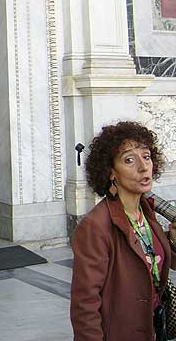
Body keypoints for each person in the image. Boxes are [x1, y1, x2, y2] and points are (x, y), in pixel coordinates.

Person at [71, 121, 176, 341]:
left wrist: (172, 242)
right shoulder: (95, 226)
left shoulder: (146, 211)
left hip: (156, 327)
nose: (143, 166)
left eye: (146, 156)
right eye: (129, 160)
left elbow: (151, 260)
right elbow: (85, 304)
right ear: (111, 173)